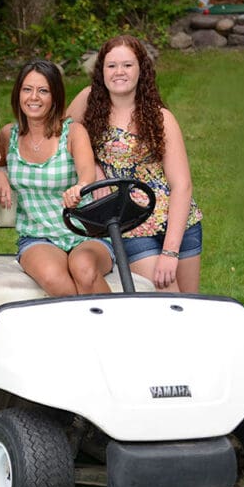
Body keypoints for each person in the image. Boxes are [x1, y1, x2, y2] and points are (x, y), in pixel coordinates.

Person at [66, 35, 202, 293]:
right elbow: (61, 137)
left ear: (141, 69)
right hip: (133, 226)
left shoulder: (160, 117)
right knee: (169, 300)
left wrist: (171, 252)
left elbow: (181, 184)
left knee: (191, 309)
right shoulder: (88, 100)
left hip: (180, 224)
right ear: (101, 71)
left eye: (127, 65)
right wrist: (93, 165)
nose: (119, 72)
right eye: (111, 65)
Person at [0, 60, 114, 296]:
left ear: (54, 97)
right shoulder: (9, 135)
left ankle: (114, 328)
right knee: (53, 277)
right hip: (38, 236)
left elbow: (86, 173)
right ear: (18, 94)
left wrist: (80, 187)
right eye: (27, 89)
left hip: (84, 231)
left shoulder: (73, 132)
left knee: (84, 269)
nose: (33, 97)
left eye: (43, 90)